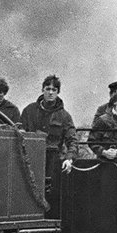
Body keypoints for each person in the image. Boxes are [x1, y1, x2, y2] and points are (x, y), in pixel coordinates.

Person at [20, 75, 78, 216]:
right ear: (42, 90)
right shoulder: (29, 111)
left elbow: (73, 141)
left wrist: (69, 158)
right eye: (48, 89)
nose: (50, 92)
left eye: (54, 89)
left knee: (51, 197)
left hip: (52, 162)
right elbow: (19, 132)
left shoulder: (64, 116)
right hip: (30, 159)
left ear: (58, 92)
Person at [88, 89, 117, 168]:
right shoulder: (103, 120)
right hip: (107, 165)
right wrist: (104, 152)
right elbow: (92, 141)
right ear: (114, 102)